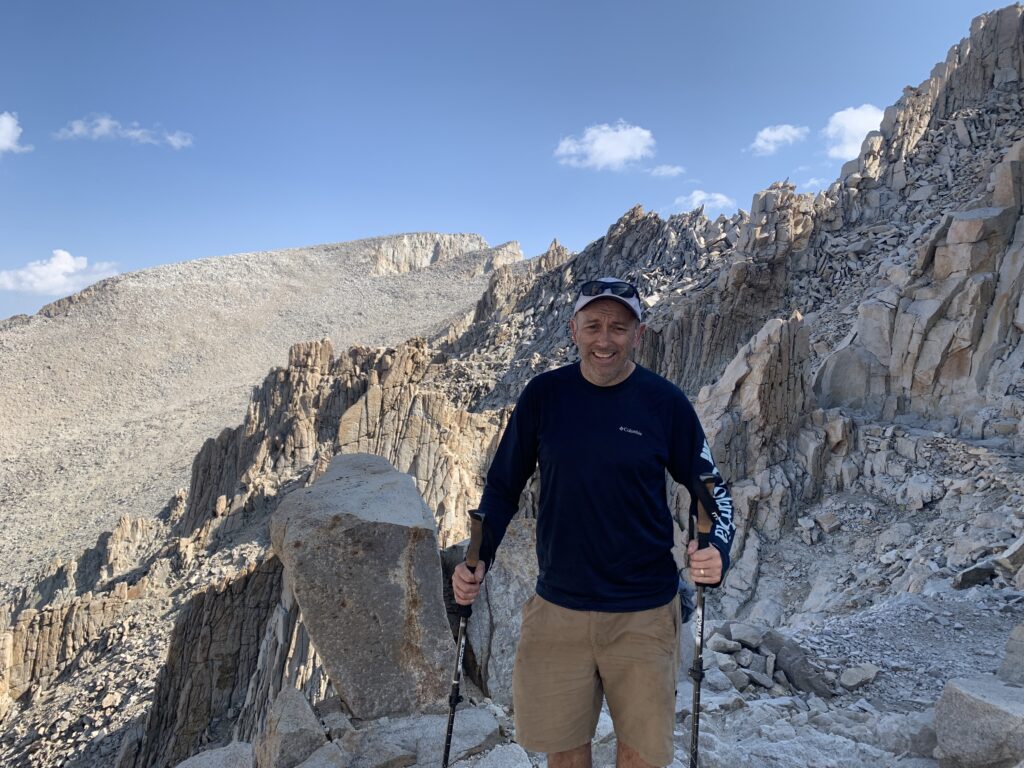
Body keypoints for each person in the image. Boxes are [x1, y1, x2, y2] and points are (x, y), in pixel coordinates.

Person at [452, 277, 735, 768]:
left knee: (643, 756)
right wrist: (477, 560)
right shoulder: (544, 396)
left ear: (638, 335)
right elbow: (502, 489)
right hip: (558, 608)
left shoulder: (664, 404)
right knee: (563, 753)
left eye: (619, 328)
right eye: (594, 326)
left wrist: (715, 549)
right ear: (574, 330)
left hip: (644, 614)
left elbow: (710, 489)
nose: (605, 340)